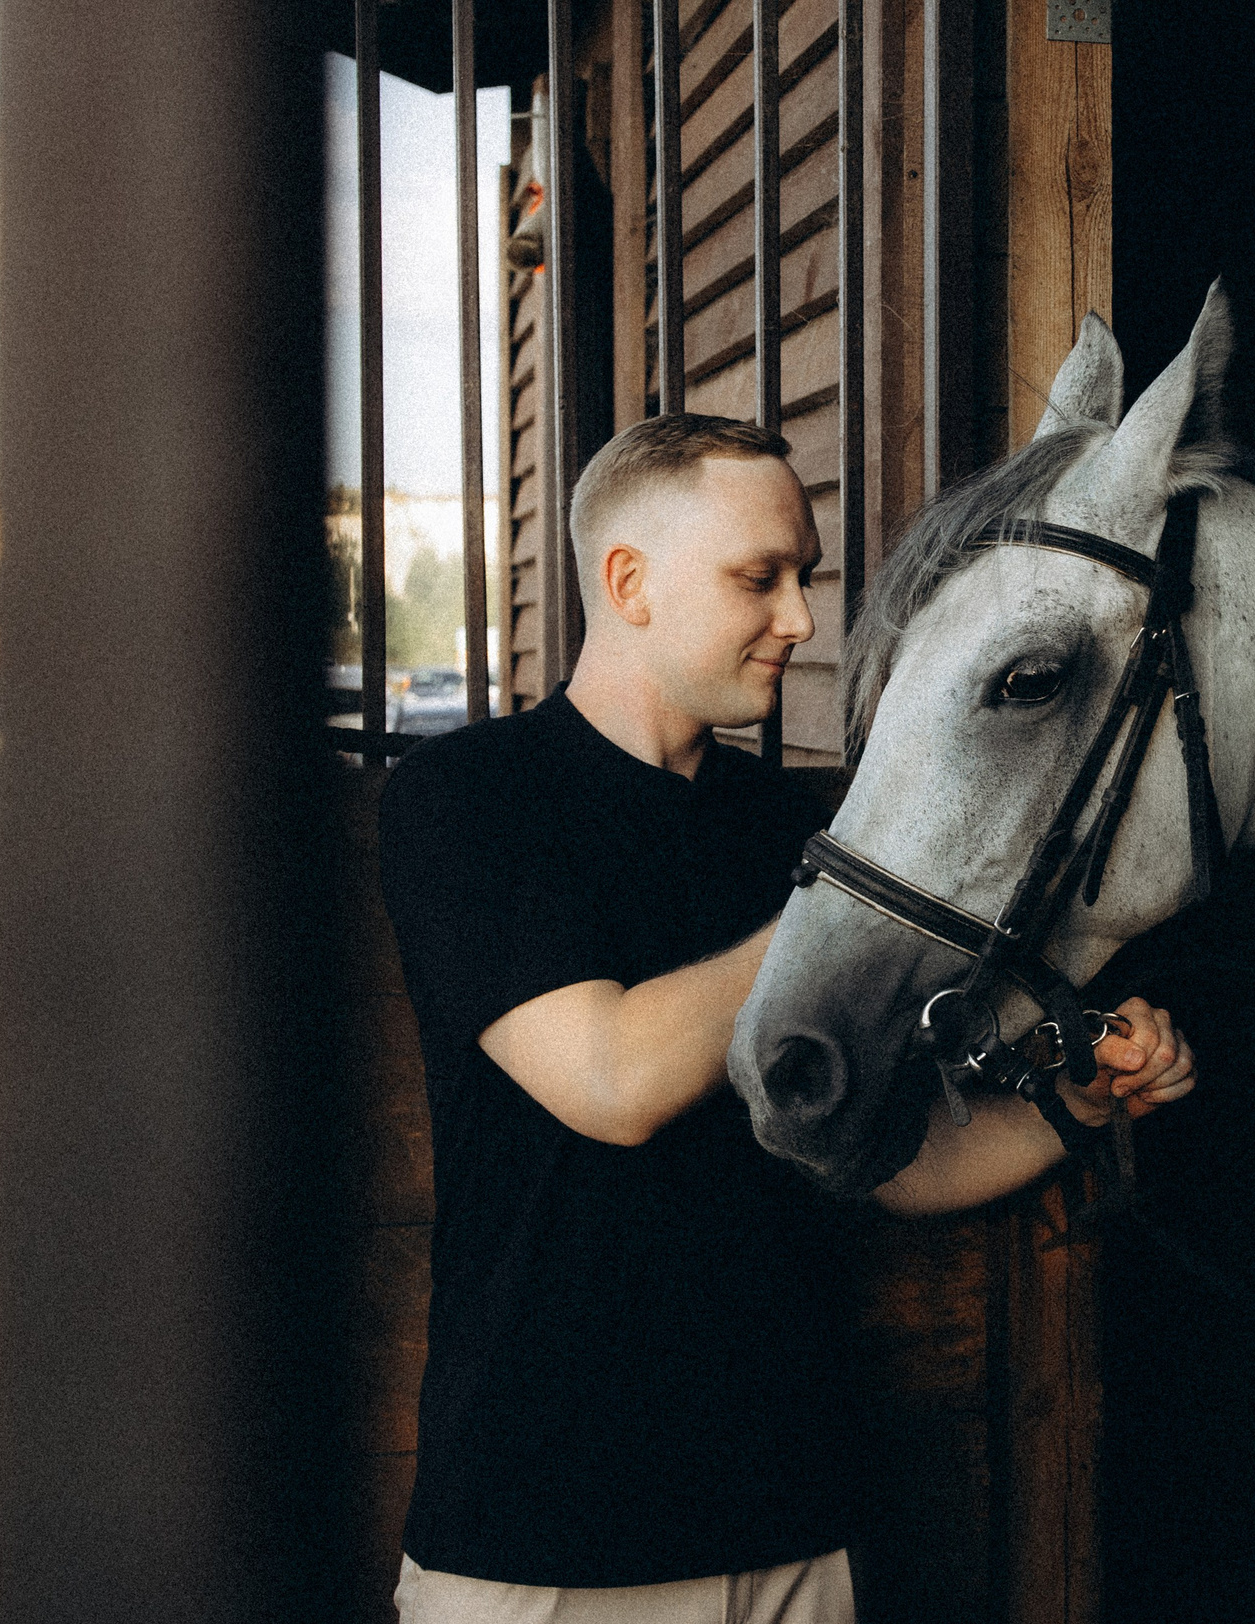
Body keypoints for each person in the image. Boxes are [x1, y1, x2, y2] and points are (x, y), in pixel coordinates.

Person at [375, 412, 1195, 1624]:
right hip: (541, 1536)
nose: (800, 618)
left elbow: (887, 1154)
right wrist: (846, 907)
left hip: (796, 1516)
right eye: (759, 577)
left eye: (800, 576)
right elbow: (611, 1079)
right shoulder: (472, 799)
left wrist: (1074, 1108)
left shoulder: (786, 833)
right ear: (628, 582)